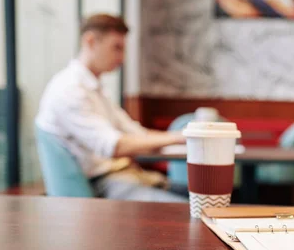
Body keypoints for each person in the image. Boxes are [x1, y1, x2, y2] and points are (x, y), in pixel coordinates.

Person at [36, 14, 186, 203]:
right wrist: (180, 136)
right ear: (90, 41)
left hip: (125, 175)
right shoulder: (68, 89)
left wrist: (181, 139)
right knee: (191, 210)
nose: (121, 58)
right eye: (117, 48)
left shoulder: (95, 89)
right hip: (103, 183)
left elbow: (135, 132)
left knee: (201, 198)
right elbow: (113, 146)